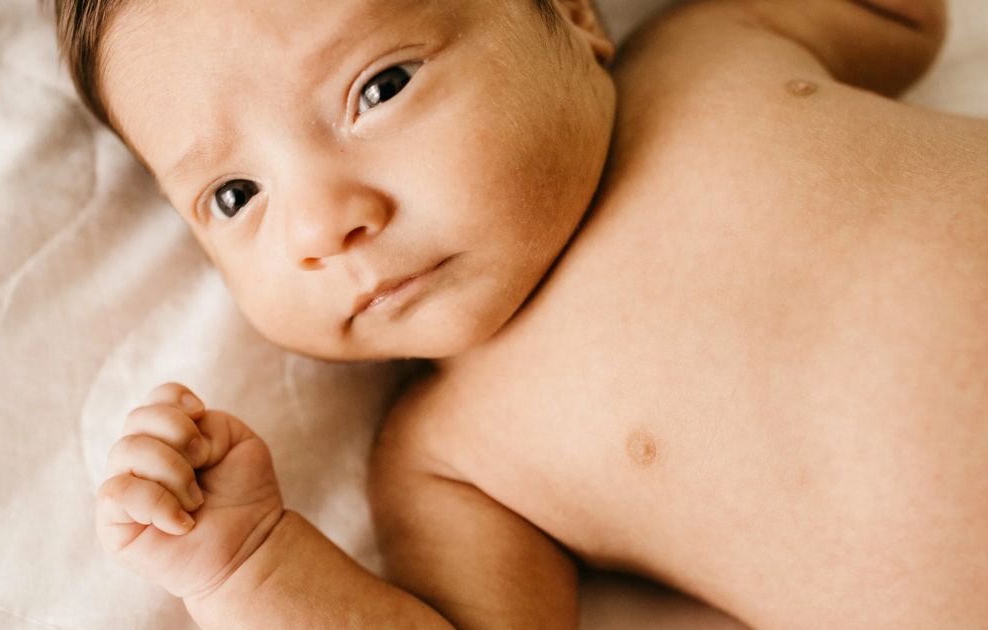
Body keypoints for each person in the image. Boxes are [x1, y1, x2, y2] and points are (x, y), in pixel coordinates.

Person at [56, 0, 988, 626]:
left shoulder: (709, 42)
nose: (320, 224)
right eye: (233, 195)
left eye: (379, 87)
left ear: (576, 14)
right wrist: (249, 566)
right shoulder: (455, 460)